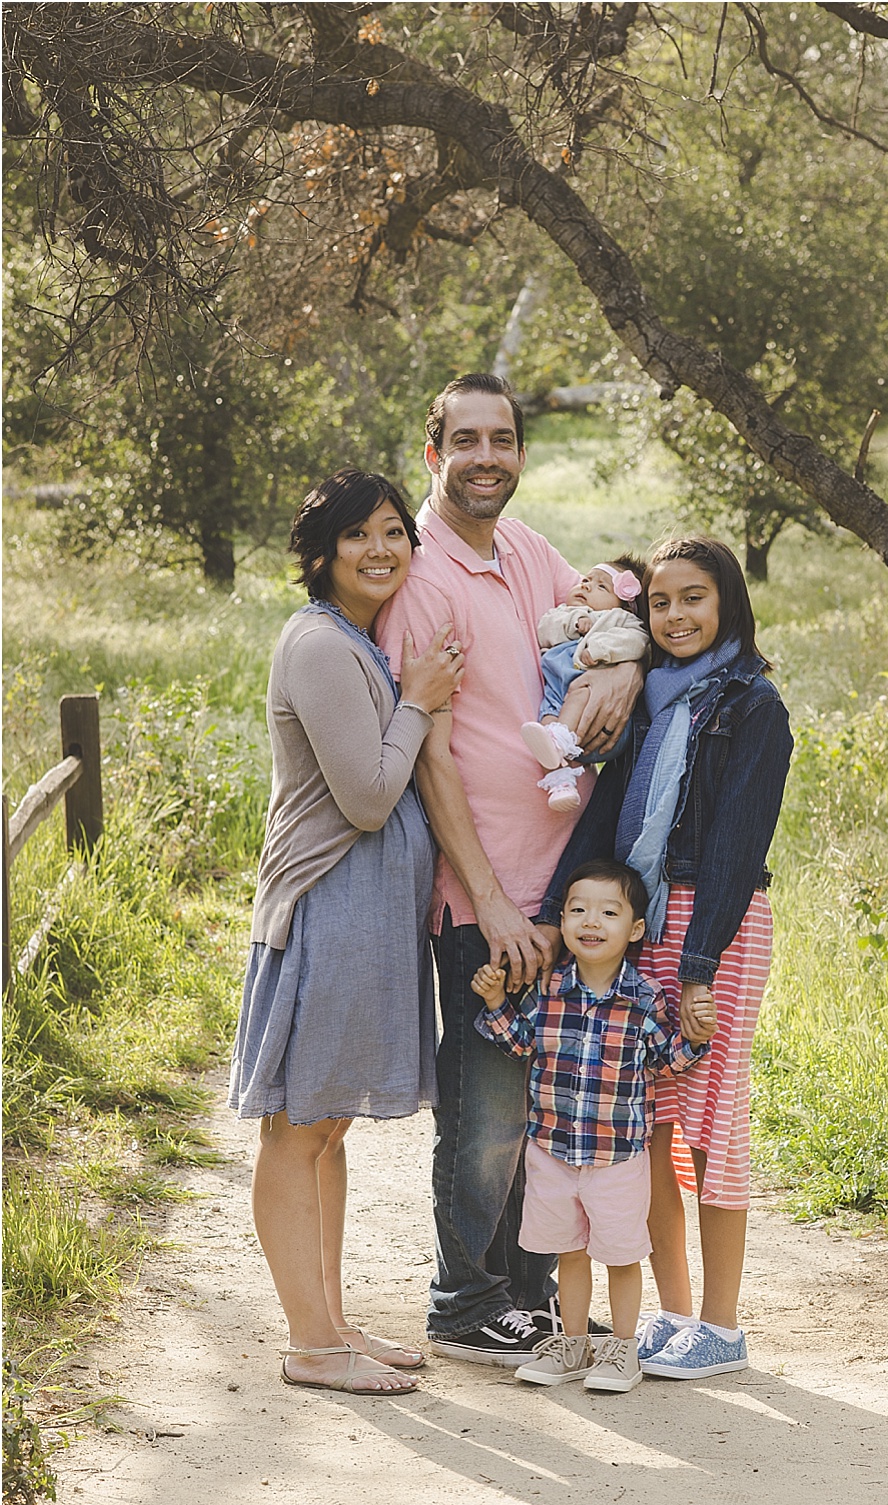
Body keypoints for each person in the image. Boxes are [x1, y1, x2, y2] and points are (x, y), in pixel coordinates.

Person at [375, 373, 643, 1367]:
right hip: (482, 895)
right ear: (434, 451)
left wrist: (621, 664)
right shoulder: (422, 575)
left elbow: (608, 616)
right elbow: (433, 753)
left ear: (521, 453)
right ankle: (464, 1300)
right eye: (467, 439)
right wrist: (487, 902)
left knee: (546, 1099)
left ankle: (530, 1295)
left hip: (561, 886)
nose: (487, 455)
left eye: (504, 438)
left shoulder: (529, 550)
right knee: (487, 1106)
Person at [231, 468, 464, 1394]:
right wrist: (419, 701)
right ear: (321, 552)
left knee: (329, 1130)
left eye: (395, 532)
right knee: (298, 1128)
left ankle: (329, 1320)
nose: (381, 549)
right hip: (326, 904)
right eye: (359, 534)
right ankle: (309, 1343)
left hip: (365, 913)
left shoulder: (357, 642)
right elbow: (367, 798)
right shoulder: (322, 646)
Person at [544, 535, 793, 1380]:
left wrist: (694, 966)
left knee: (713, 1119)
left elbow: (733, 843)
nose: (677, 615)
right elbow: (603, 815)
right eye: (660, 601)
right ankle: (674, 1312)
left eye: (695, 597)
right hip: (644, 919)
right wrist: (555, 916)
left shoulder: (754, 706)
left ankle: (721, 1327)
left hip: (714, 926)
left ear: (726, 604)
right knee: (644, 1124)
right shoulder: (648, 700)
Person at [470, 860, 711, 1393]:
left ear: (636, 929)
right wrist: (495, 1004)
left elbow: (664, 1061)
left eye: (608, 911)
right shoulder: (551, 988)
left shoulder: (643, 996)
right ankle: (573, 1345)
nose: (590, 921)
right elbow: (522, 1045)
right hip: (552, 1151)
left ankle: (622, 1350)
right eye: (577, 909)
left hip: (618, 1157)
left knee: (622, 1257)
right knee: (569, 1253)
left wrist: (694, 1038)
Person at [522, 558, 650, 812]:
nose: (587, 586)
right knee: (546, 721)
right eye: (586, 580)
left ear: (625, 605)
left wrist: (601, 648)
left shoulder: (620, 620)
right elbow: (544, 630)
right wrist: (575, 621)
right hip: (556, 695)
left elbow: (637, 641)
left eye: (601, 587)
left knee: (578, 694)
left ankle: (561, 741)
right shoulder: (563, 613)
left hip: (591, 707)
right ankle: (561, 785)